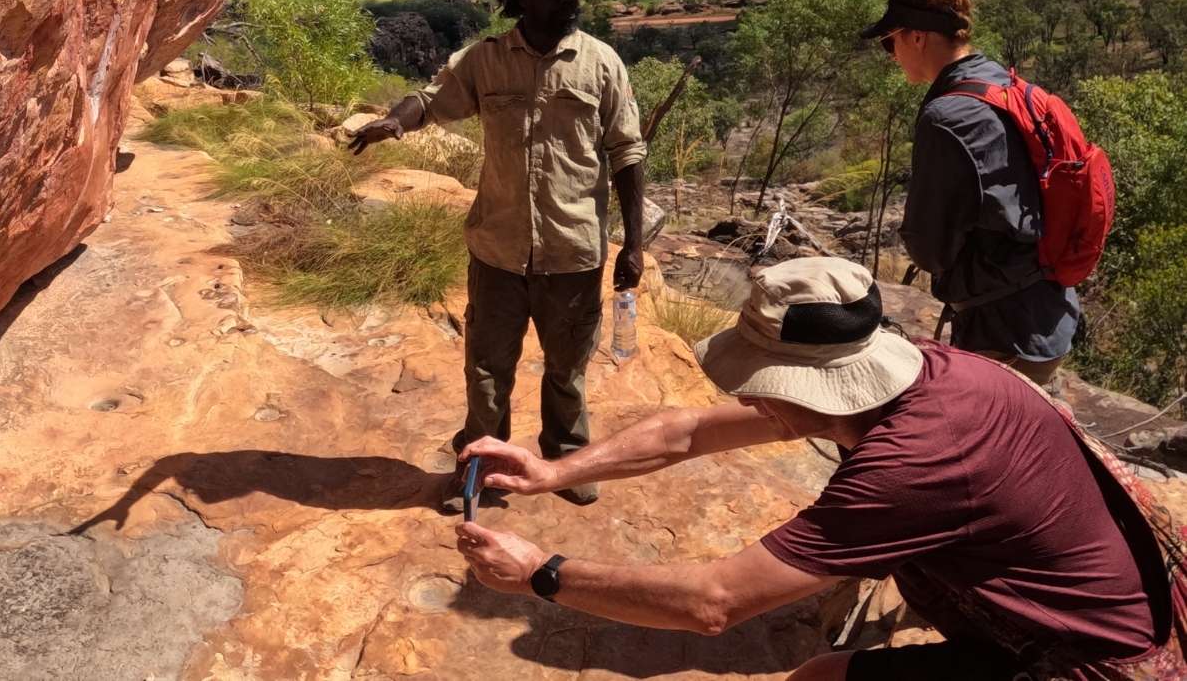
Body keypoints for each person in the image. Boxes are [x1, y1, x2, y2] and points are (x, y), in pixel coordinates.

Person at [451, 257, 1180, 679]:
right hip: (1090, 613)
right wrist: (551, 470)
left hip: (1082, 664)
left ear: (808, 387)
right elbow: (688, 433)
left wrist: (541, 572)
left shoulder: (908, 470)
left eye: (758, 376)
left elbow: (713, 604)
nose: (745, 394)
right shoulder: (929, 374)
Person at [350, 0, 646, 505]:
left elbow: (628, 153)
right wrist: (392, 122)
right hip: (497, 250)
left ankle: (563, 459)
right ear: (519, 0)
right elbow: (431, 99)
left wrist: (632, 244)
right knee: (487, 369)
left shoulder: (602, 62)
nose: (570, 5)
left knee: (567, 369)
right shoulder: (484, 60)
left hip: (573, 250)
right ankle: (482, 465)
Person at [862, 0, 1079, 386]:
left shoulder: (948, 117)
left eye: (891, 41)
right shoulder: (1004, 85)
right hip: (1049, 314)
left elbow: (929, 247)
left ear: (916, 36)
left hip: (1001, 336)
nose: (891, 53)